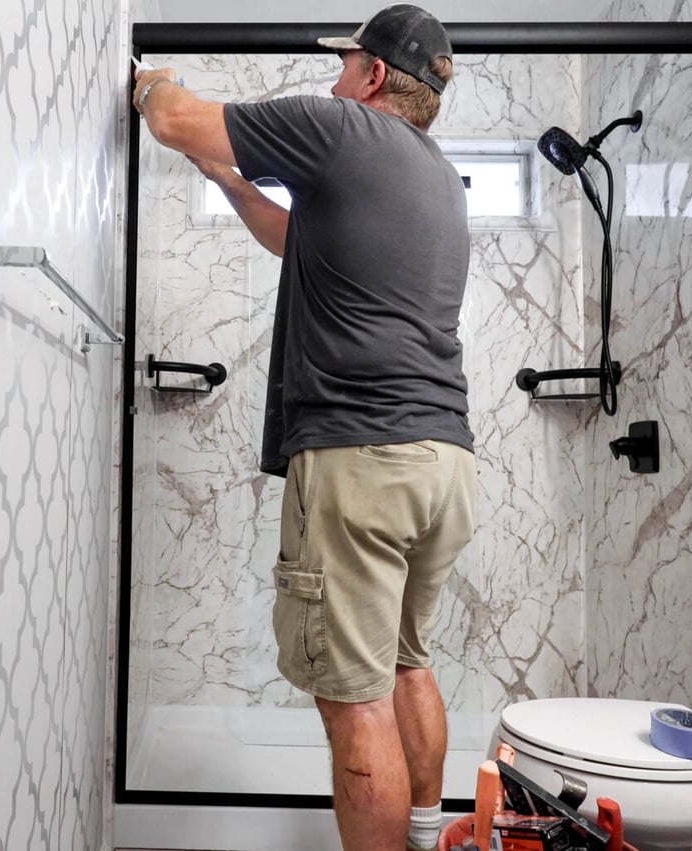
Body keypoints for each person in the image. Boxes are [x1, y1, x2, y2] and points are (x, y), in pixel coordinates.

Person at [133, 6, 477, 850]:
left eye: (344, 63)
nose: (333, 78)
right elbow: (300, 241)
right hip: (441, 462)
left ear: (369, 78)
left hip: (361, 457)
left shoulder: (340, 129)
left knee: (352, 698)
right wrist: (231, 181)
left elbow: (175, 119)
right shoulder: (432, 177)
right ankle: (428, 836)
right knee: (404, 662)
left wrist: (149, 80)